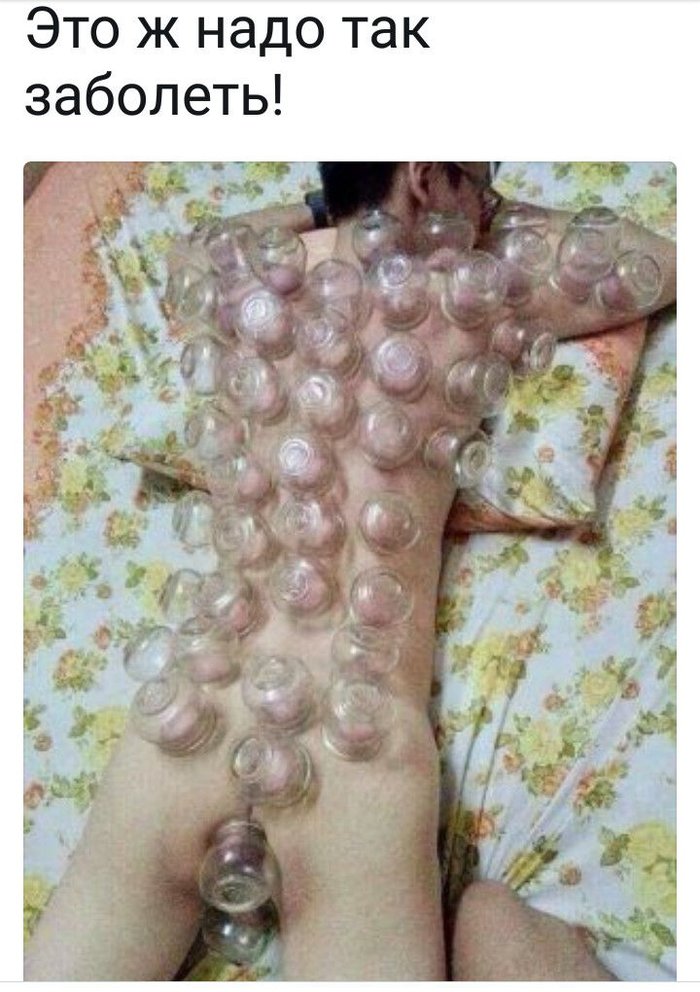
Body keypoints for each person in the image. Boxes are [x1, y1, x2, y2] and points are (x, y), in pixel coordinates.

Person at [24, 162, 676, 981]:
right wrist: (485, 216)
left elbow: (187, 253)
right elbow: (653, 261)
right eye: (483, 179)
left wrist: (324, 207)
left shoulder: (255, 281)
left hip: (196, 707)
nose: (491, 203)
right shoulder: (469, 293)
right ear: (429, 175)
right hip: (356, 747)